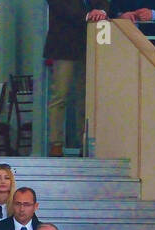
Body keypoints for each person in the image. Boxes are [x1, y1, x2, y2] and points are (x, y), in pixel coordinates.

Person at [44, 1, 108, 156]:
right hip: (64, 45)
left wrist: (101, 10)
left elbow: (103, 2)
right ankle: (56, 143)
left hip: (91, 43)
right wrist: (86, 15)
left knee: (85, 98)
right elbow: (61, 6)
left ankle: (83, 143)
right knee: (60, 95)